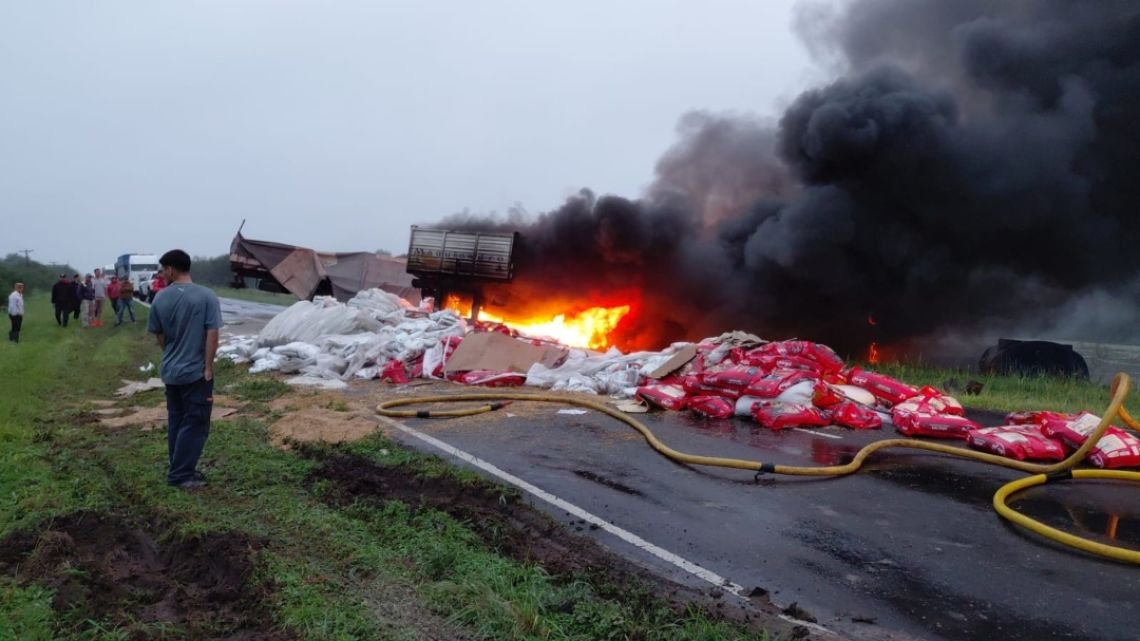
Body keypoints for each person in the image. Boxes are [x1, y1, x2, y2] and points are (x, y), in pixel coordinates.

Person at [148, 249, 221, 490]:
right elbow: (212, 333)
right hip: (194, 372)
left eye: (163, 269)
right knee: (196, 422)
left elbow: (159, 334)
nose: (162, 274)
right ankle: (180, 475)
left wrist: (169, 354)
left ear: (171, 269)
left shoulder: (159, 298)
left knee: (177, 420)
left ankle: (180, 467)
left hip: (171, 370)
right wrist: (208, 366)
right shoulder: (206, 296)